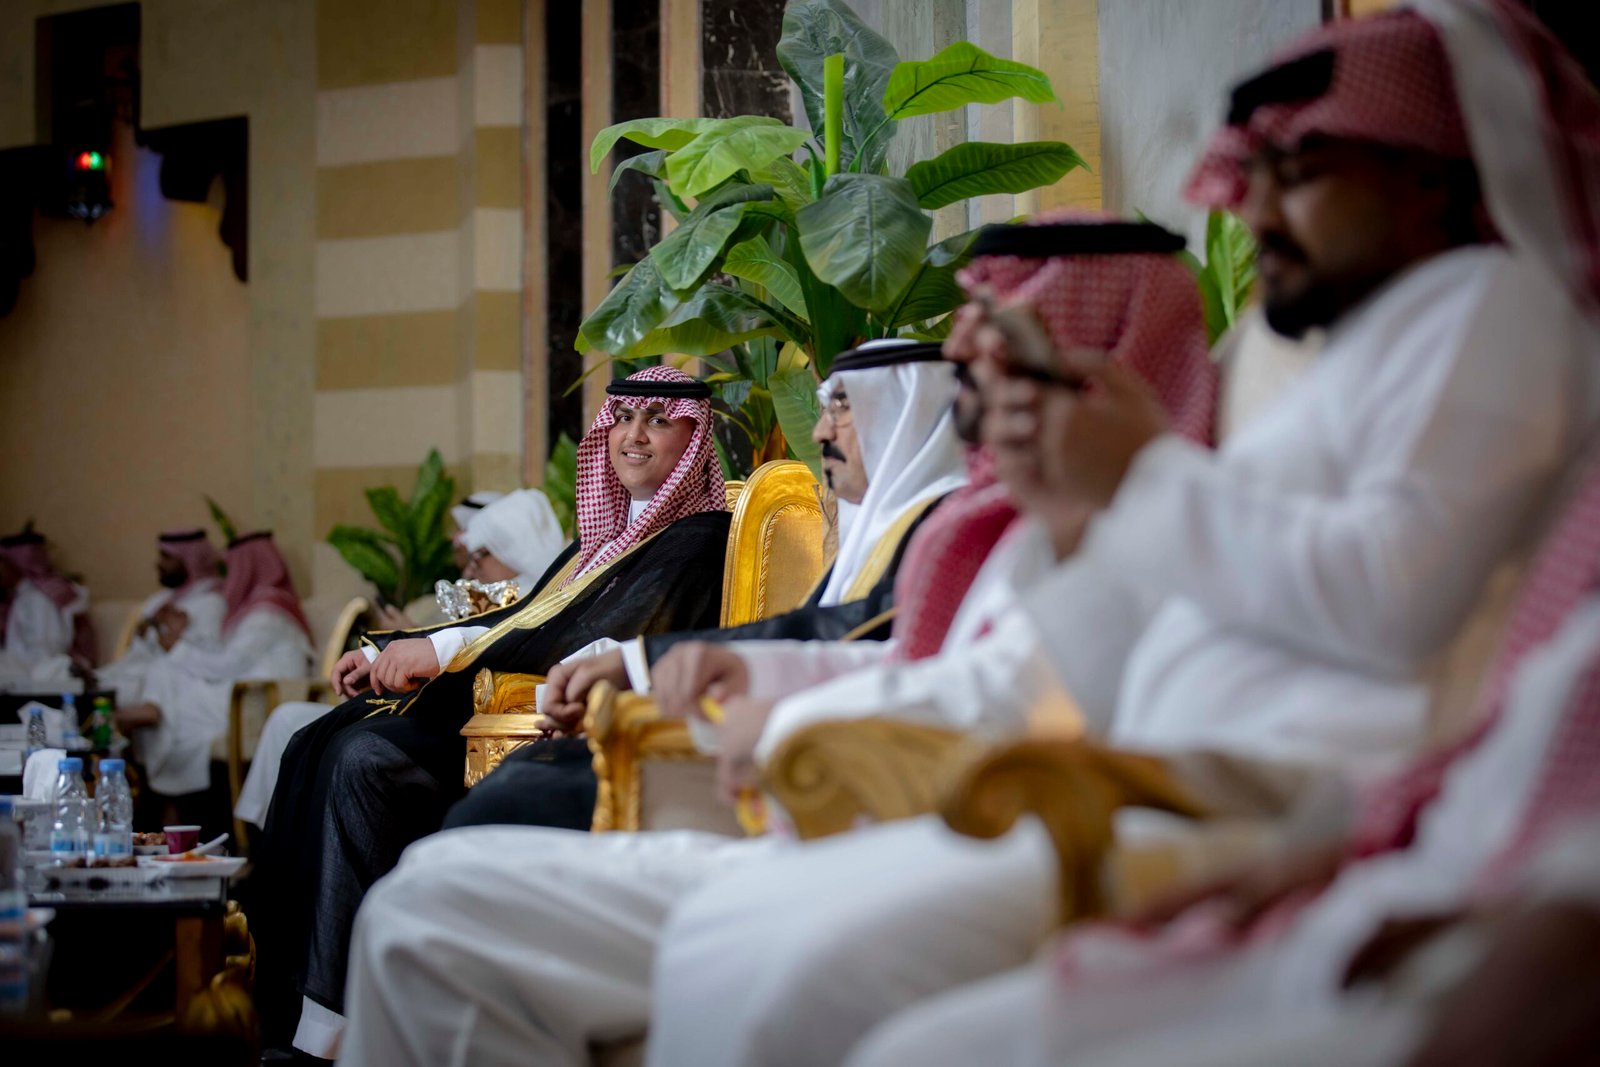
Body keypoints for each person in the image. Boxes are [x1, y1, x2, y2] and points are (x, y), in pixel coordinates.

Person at [651, 3, 1600, 1064]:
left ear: (1429, 177)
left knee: (806, 975)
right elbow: (1120, 662)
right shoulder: (1349, 355)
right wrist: (1080, 513)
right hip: (1159, 777)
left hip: (1254, 796)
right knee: (740, 938)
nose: (1257, 208)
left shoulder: (1487, 303)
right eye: (1255, 172)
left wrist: (1138, 477)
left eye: (1301, 172)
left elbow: (1392, 597)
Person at [334, 216, 1224, 1067]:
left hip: (957, 834)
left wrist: (772, 716)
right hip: (841, 807)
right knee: (427, 895)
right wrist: (729, 671)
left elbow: (999, 698)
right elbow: (916, 662)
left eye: (1010, 364)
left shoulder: (1172, 533)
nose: (978, 396)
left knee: (470, 916)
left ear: (1103, 377)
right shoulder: (1021, 531)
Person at [254, 365, 733, 1059]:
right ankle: (320, 1017)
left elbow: (580, 644)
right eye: (625, 417)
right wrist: (397, 649)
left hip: (564, 731)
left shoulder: (696, 539)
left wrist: (434, 653)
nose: (634, 435)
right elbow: (522, 618)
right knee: (323, 740)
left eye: (659, 421)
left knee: (365, 757)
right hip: (506, 713)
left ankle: (338, 1033)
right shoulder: (598, 540)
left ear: (693, 440)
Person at [455, 337, 969, 832]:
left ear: (904, 415)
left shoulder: (946, 532)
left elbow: (847, 638)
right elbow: (823, 635)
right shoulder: (885, 524)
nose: (819, 433)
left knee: (506, 800)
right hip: (789, 745)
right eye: (825, 411)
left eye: (842, 410)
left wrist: (641, 665)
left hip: (834, 767)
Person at [233, 489, 567, 828]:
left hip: (474, 728)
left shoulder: (538, 607)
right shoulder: (484, 596)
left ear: (511, 546)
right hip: (440, 712)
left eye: (480, 554)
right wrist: (388, 656)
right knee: (322, 733)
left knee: (353, 747)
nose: (472, 567)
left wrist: (415, 650)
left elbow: (487, 650)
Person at [114, 532, 313, 805]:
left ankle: (149, 723)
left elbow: (225, 665)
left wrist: (175, 645)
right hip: (236, 691)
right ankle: (149, 717)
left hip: (252, 700)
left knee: (171, 690)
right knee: (166, 671)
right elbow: (222, 659)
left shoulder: (267, 615)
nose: (229, 577)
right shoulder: (255, 609)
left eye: (233, 569)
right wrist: (178, 639)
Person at [97, 529, 226, 700]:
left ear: (190, 559)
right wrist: (143, 632)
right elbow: (137, 654)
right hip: (138, 675)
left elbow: (206, 660)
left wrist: (173, 637)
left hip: (174, 685)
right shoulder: (158, 600)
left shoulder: (212, 603)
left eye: (167, 557)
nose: (159, 563)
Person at [0, 526, 94, 679]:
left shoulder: (40, 598)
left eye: (2, 563)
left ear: (14, 565)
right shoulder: (19, 596)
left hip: (41, 672)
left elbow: (48, 652)